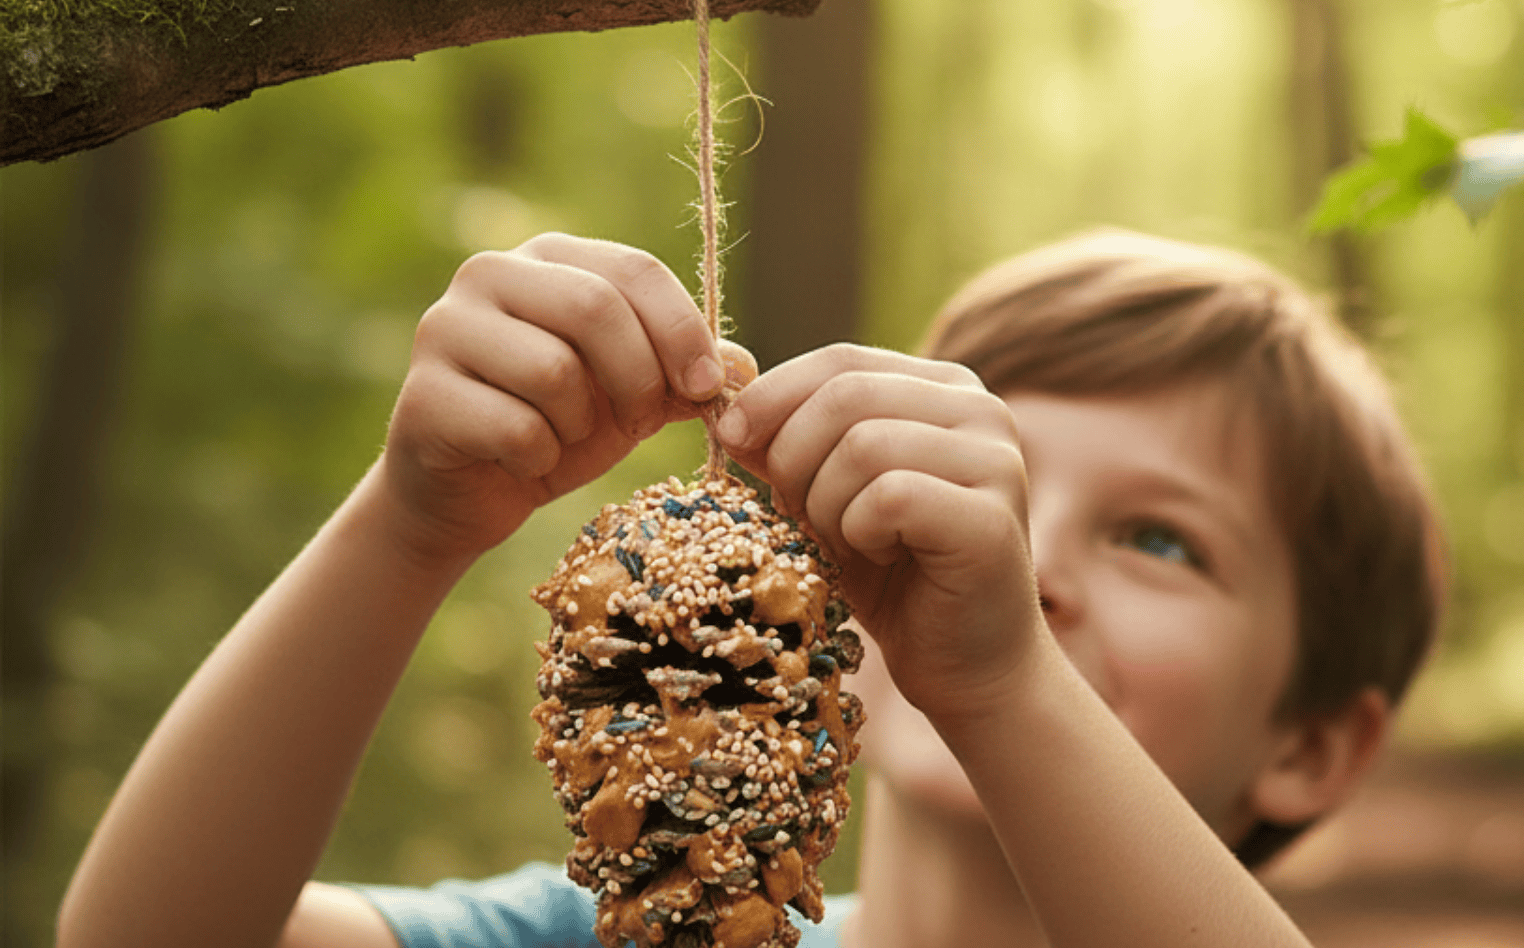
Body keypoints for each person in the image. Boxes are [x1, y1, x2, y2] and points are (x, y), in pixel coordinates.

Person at [56, 228, 1444, 948]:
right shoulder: (632, 931)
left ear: (1314, 745)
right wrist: (408, 526)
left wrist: (1007, 683)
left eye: (1161, 542)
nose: (1036, 567)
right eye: (990, 478)